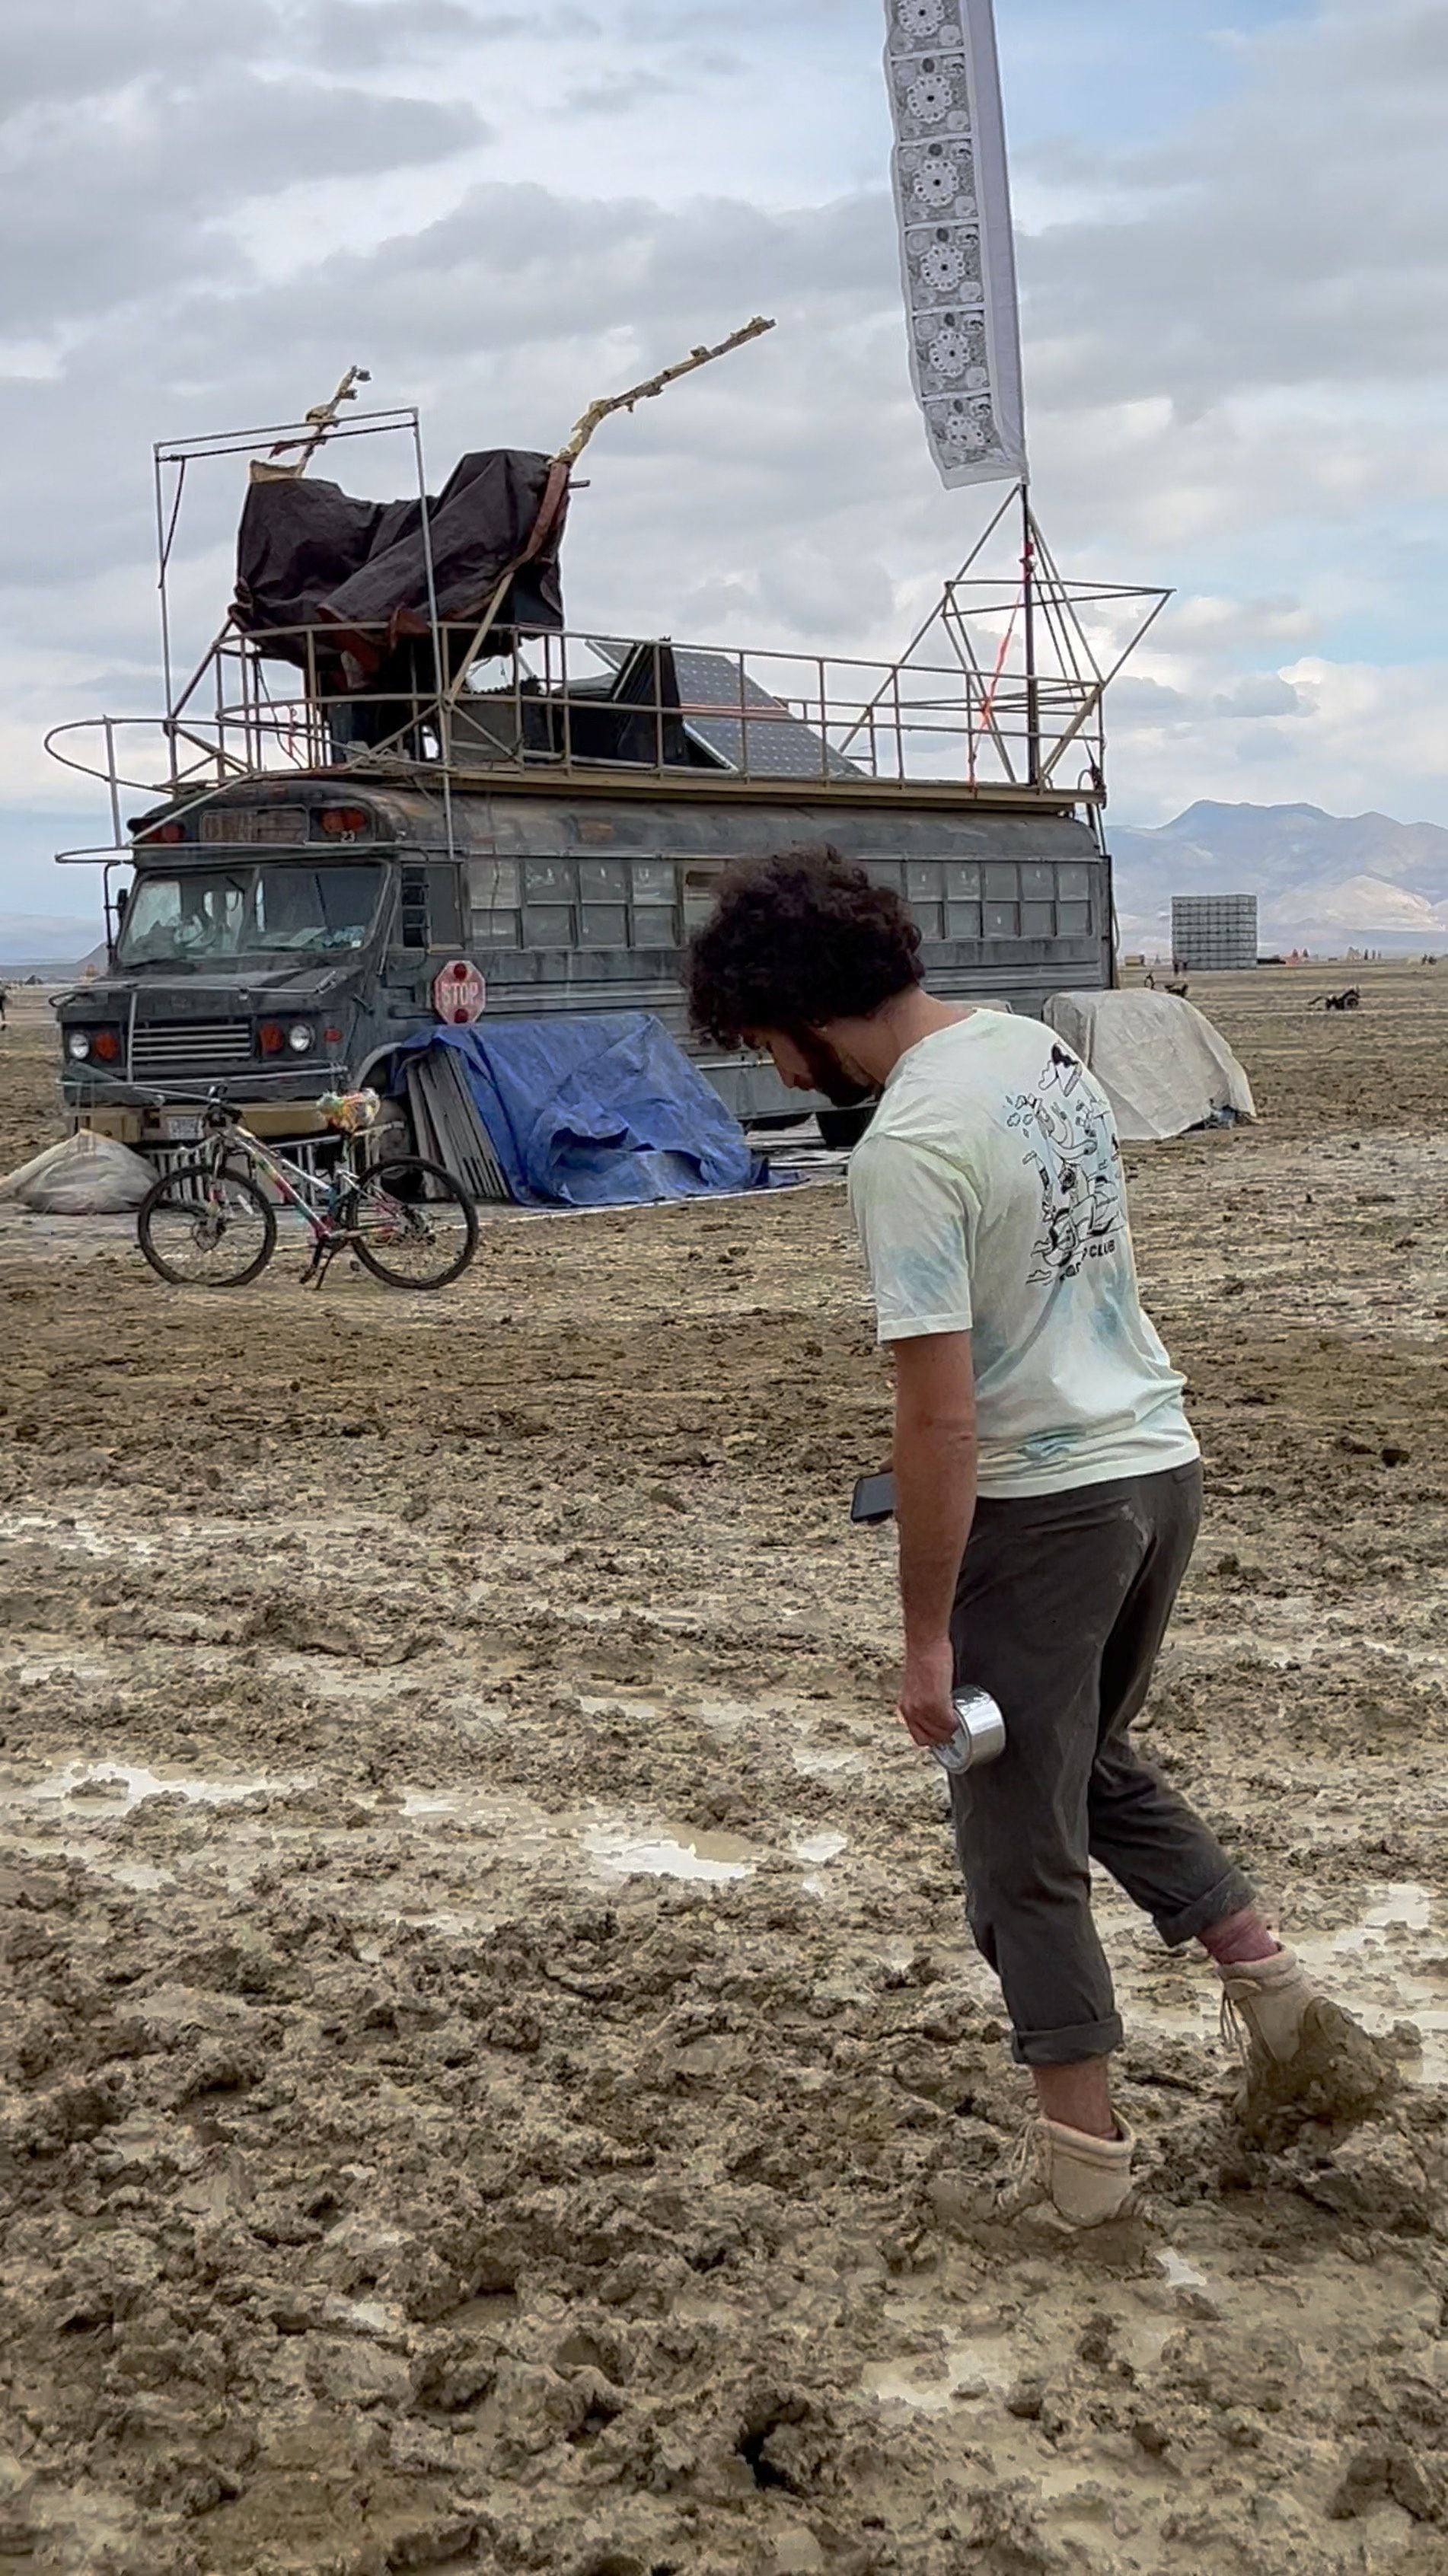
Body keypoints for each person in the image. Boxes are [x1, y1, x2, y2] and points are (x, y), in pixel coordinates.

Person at [687, 845, 1386, 2230]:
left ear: (805, 1010)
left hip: (1046, 1508)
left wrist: (924, 1636)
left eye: (764, 1041)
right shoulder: (1031, 1054)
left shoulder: (907, 1149)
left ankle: (1081, 2184)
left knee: (1013, 1832)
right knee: (1085, 1760)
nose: (771, 1072)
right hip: (1154, 1469)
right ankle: (1290, 2018)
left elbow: (937, 1423)